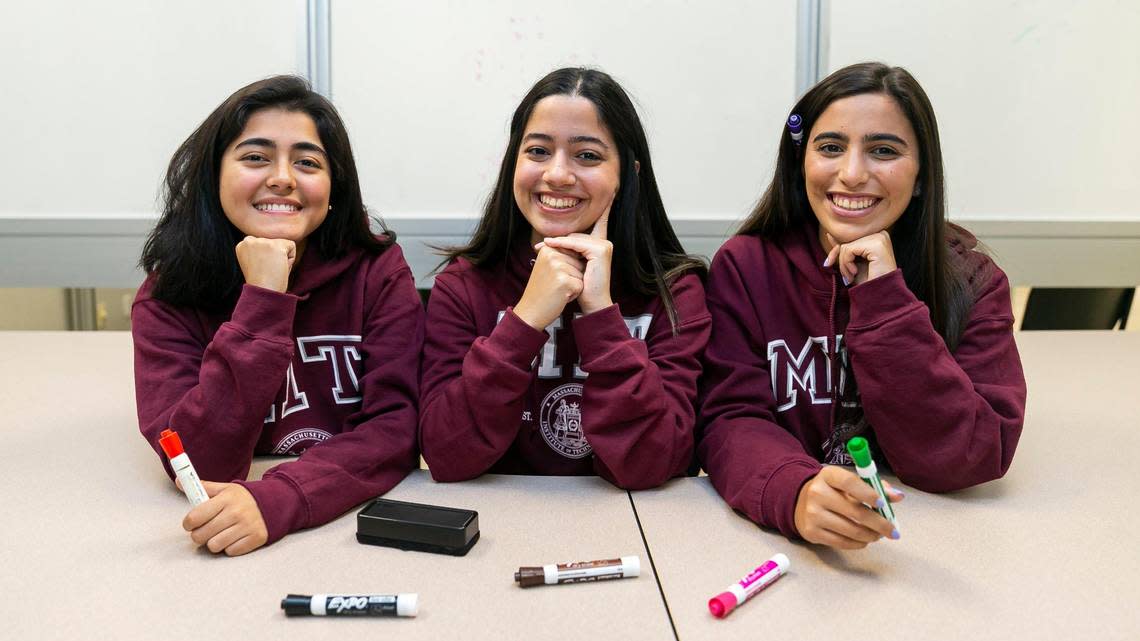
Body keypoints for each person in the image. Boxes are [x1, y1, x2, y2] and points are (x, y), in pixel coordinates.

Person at [697, 62, 1026, 550]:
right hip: (784, 543)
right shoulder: (746, 267)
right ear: (800, 163)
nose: (852, 175)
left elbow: (975, 455)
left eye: (884, 151)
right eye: (830, 148)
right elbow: (728, 419)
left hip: (943, 540)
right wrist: (795, 490)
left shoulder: (972, 281)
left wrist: (884, 299)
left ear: (920, 176)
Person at [133, 75, 423, 555]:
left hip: (337, 521)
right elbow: (198, 463)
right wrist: (263, 297)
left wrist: (283, 497)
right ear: (214, 177)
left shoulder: (377, 270)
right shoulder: (169, 293)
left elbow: (396, 429)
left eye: (307, 162)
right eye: (255, 157)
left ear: (334, 189)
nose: (283, 178)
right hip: (220, 527)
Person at [419, 67, 709, 489]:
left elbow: (650, 466)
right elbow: (447, 457)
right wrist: (524, 321)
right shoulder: (463, 286)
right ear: (512, 163)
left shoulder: (676, 291)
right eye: (537, 151)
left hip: (633, 525)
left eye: (587, 155)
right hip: (500, 528)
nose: (557, 174)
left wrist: (601, 317)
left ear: (628, 174)